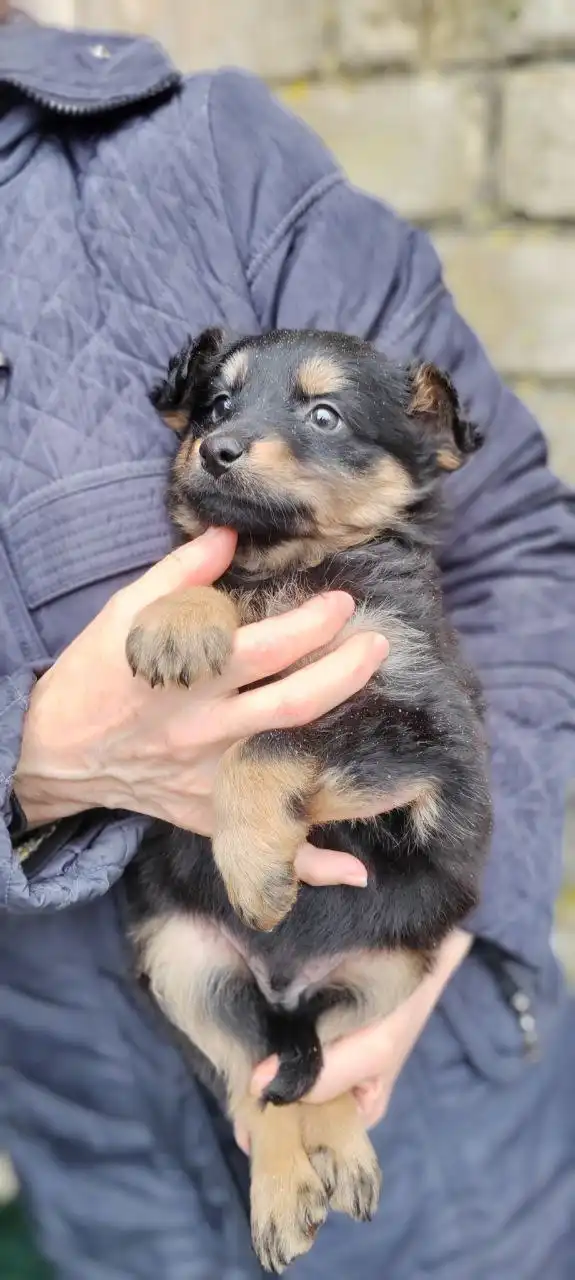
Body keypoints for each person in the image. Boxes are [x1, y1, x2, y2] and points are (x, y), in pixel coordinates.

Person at [1, 8, 574, 1279]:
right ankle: (270, 1110)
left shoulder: (201, 150)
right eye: (216, 411)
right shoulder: (207, 572)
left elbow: (521, 546)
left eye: (307, 414)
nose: (229, 438)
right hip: (105, 1148)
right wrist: (31, 761)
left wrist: (442, 941)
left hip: (453, 1105)